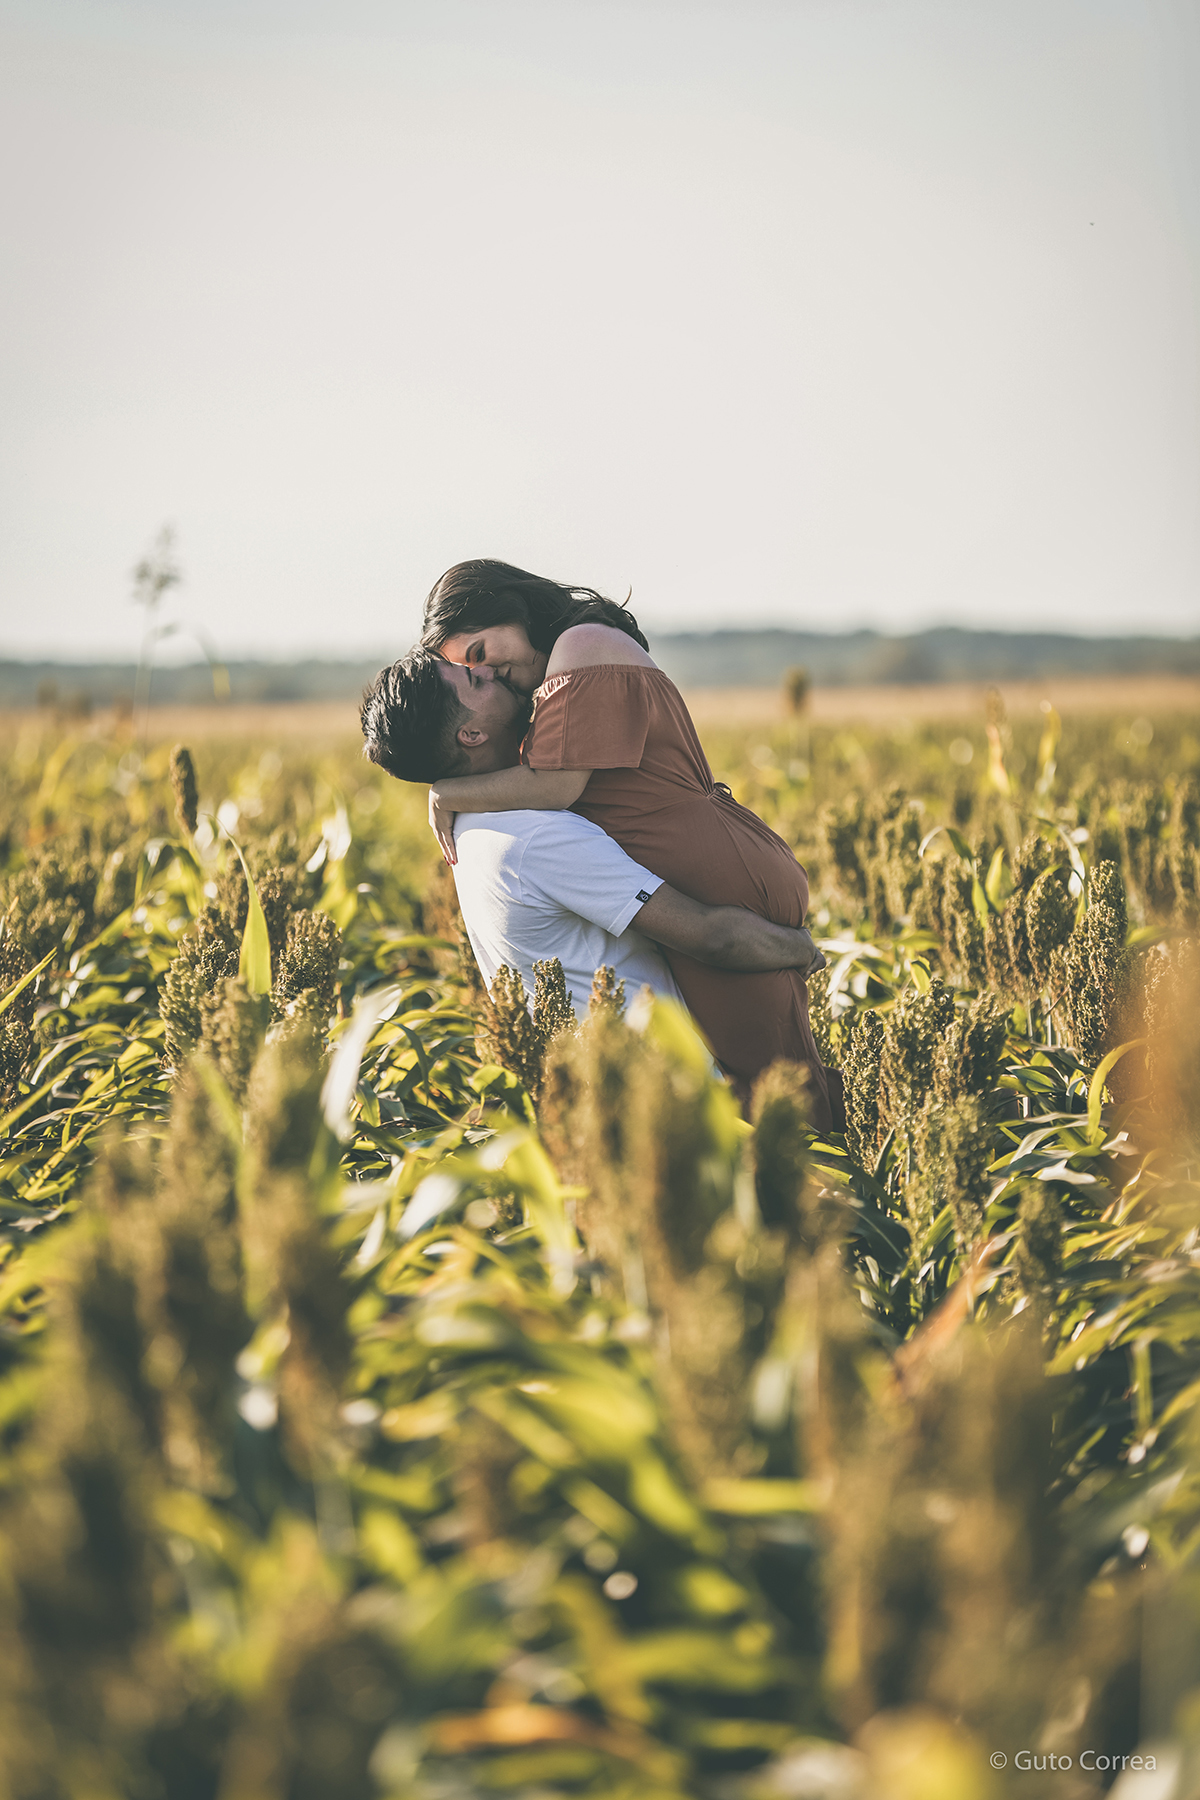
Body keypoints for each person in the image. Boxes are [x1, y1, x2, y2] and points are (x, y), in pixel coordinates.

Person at [365, 557, 840, 1131]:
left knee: (790, 1108)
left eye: (480, 656)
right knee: (776, 1098)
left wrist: (447, 790)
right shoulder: (525, 784)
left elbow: (558, 787)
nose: (488, 673)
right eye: (472, 672)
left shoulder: (580, 647)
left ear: (506, 608)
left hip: (721, 882)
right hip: (702, 888)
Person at [360, 653, 828, 1029]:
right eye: (474, 680)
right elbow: (712, 937)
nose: (487, 670)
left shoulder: (470, 826)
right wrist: (802, 949)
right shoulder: (535, 836)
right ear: (471, 734)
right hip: (661, 1089)